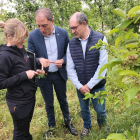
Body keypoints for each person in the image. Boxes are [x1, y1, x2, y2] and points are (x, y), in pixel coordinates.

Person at [27, 8, 78, 136]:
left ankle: (68, 122)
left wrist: (63, 60)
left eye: (44, 25)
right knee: (48, 103)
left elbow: (69, 53)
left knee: (63, 100)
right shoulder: (33, 35)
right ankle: (52, 127)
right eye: (38, 26)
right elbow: (30, 56)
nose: (41, 29)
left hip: (59, 74)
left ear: (52, 21)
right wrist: (39, 59)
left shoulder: (63, 33)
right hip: (44, 76)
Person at [67, 12, 108, 138]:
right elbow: (70, 68)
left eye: (75, 27)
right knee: (84, 109)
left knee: (100, 110)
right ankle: (87, 126)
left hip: (97, 86)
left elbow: (103, 66)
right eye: (71, 28)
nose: (73, 31)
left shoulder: (100, 38)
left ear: (84, 24)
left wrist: (89, 85)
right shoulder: (71, 44)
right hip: (81, 87)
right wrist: (80, 86)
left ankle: (102, 125)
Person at [0, 18, 38, 140]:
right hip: (18, 102)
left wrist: (36, 69)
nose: (23, 40)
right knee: (20, 133)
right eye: (20, 37)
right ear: (9, 36)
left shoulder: (20, 49)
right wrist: (24, 75)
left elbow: (24, 65)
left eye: (25, 37)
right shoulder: (4, 56)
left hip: (28, 97)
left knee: (25, 128)